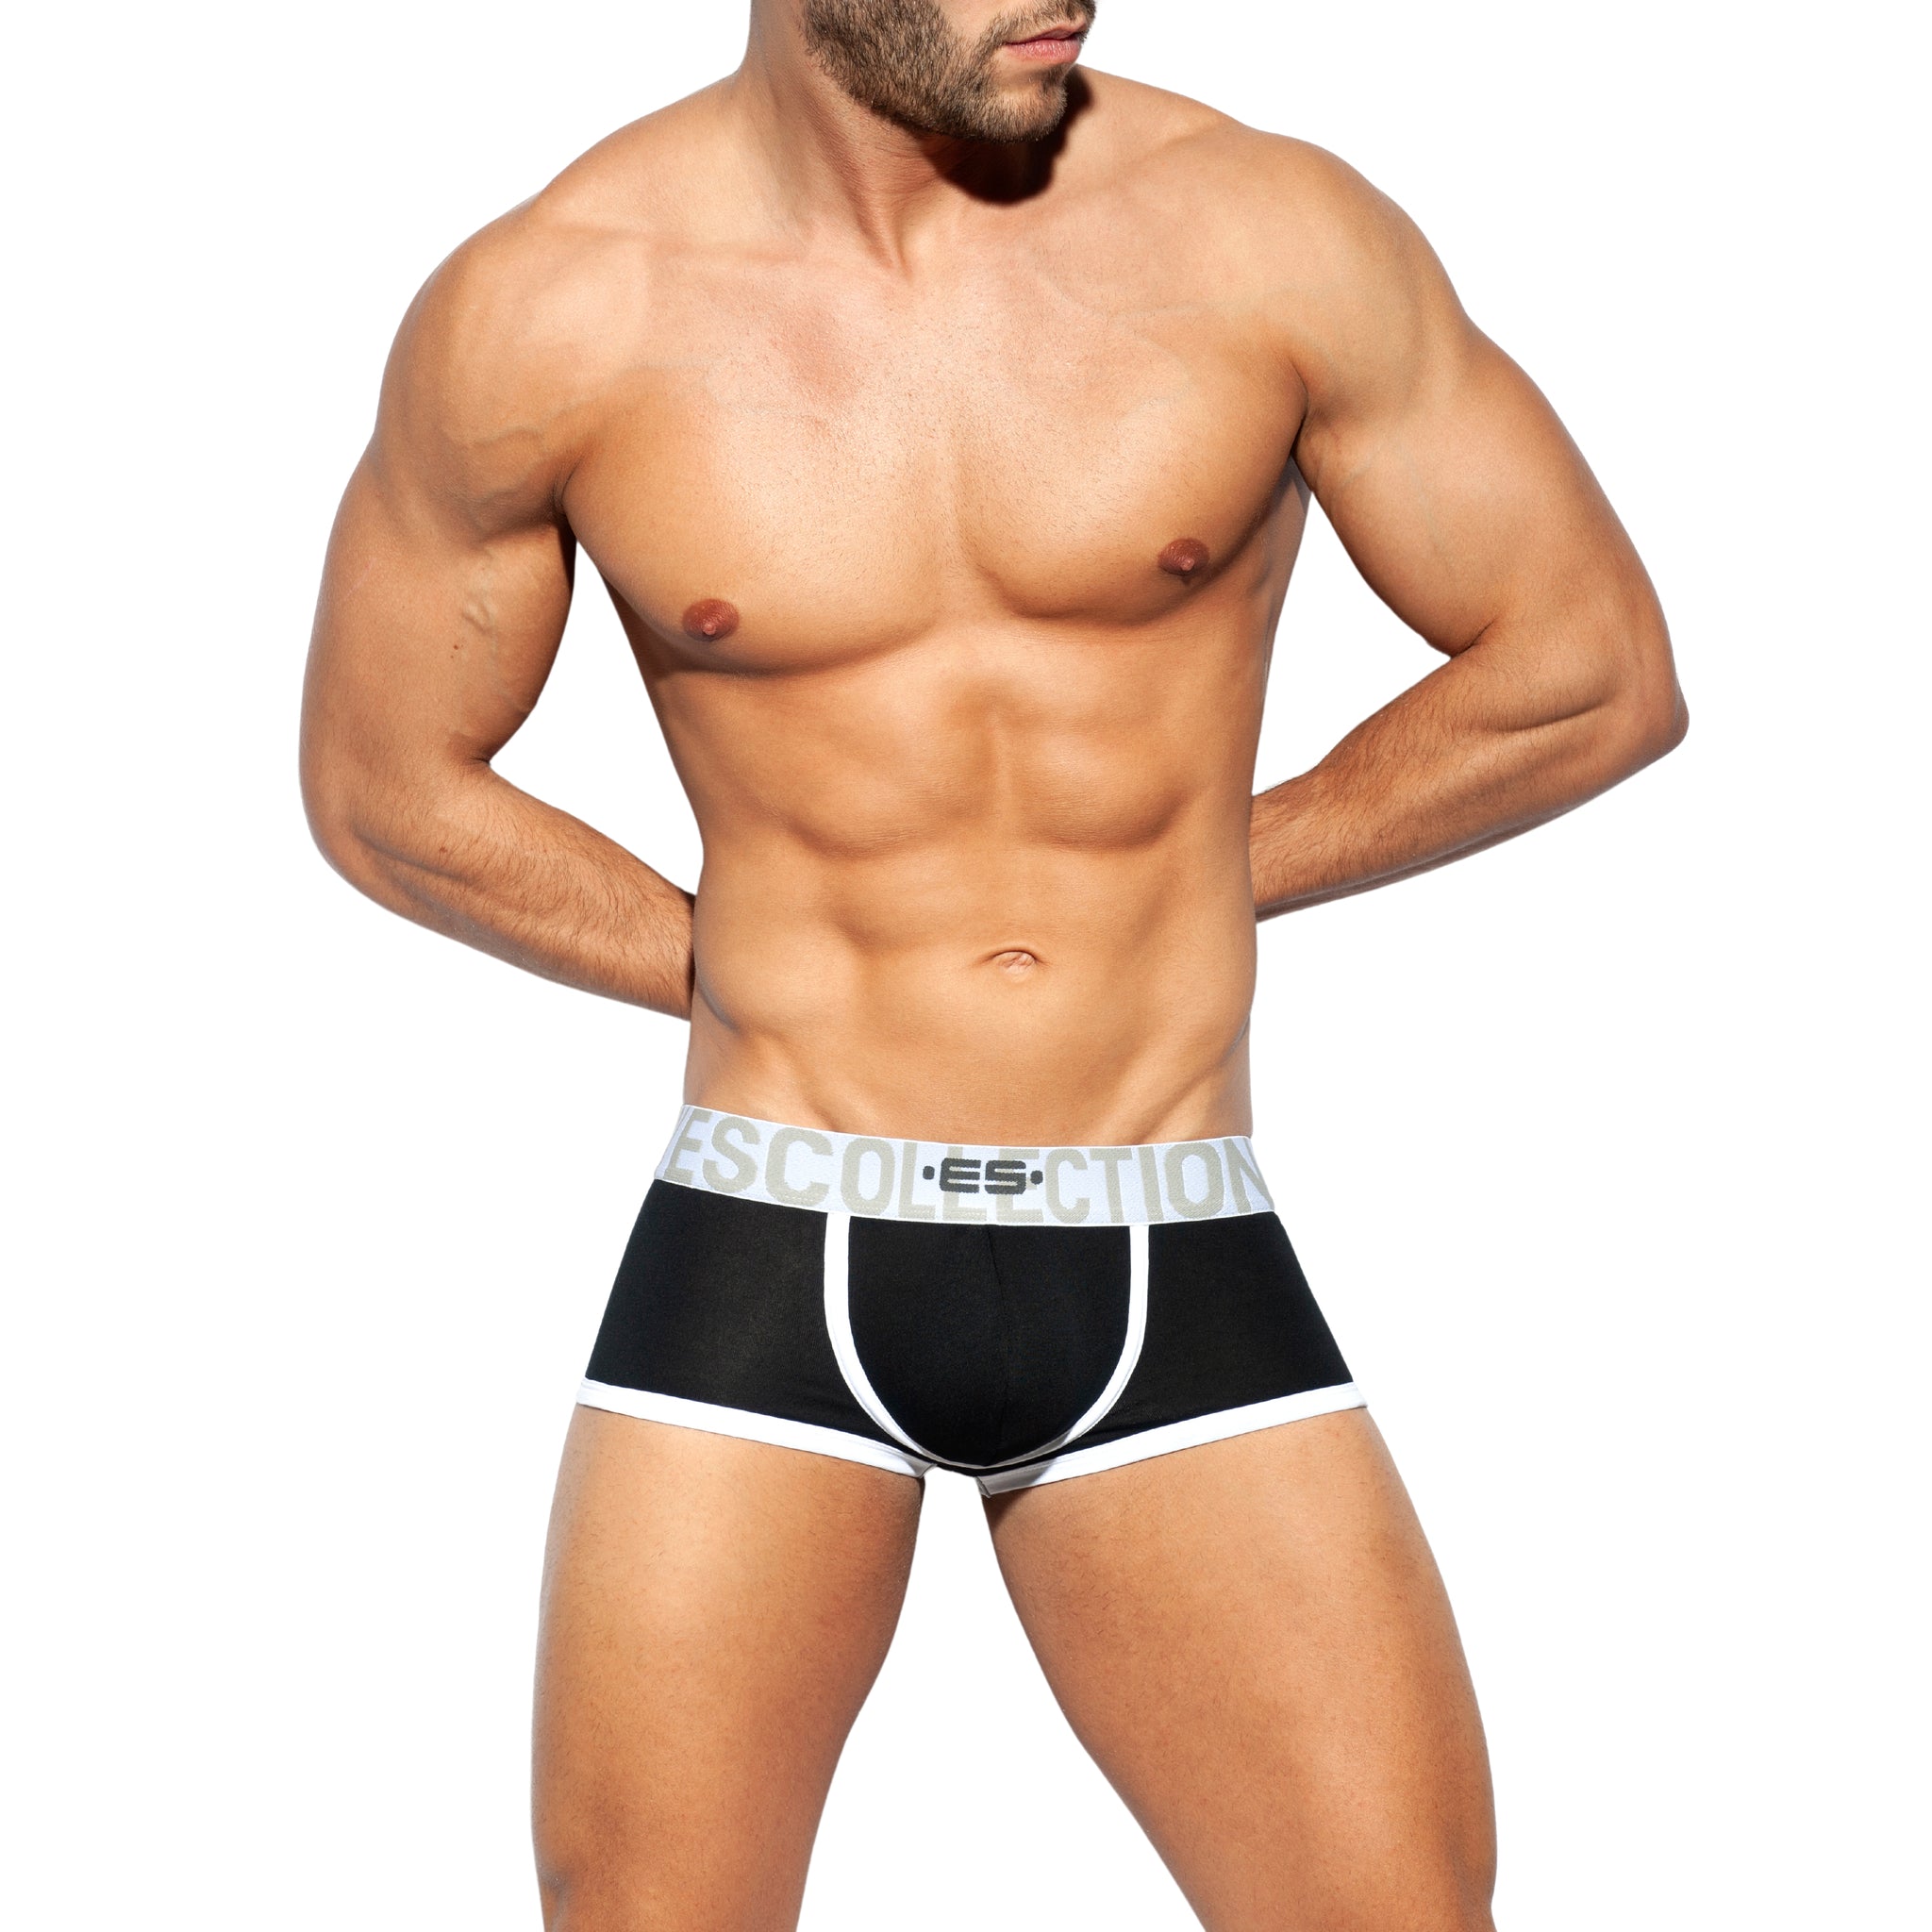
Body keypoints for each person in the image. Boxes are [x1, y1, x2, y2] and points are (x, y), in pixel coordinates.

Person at [300, 2, 1685, 1924]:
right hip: (769, 1243)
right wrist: (746, 966)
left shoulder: (1268, 233)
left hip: (1163, 1225)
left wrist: (1195, 878)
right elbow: (385, 790)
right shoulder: (553, 310)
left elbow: (1587, 673)